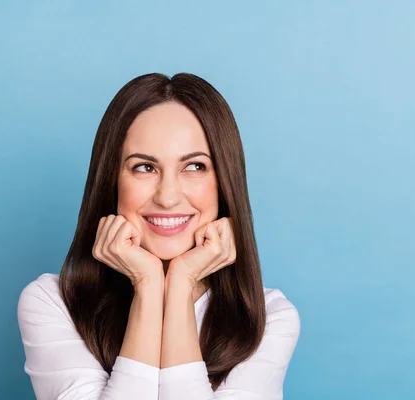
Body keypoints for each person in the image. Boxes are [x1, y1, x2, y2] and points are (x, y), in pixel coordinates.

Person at [17, 72, 301, 400]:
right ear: (112, 180)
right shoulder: (52, 302)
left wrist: (180, 285)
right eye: (144, 167)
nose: (167, 197)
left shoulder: (268, 319)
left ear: (224, 184)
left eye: (194, 166)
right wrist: (149, 286)